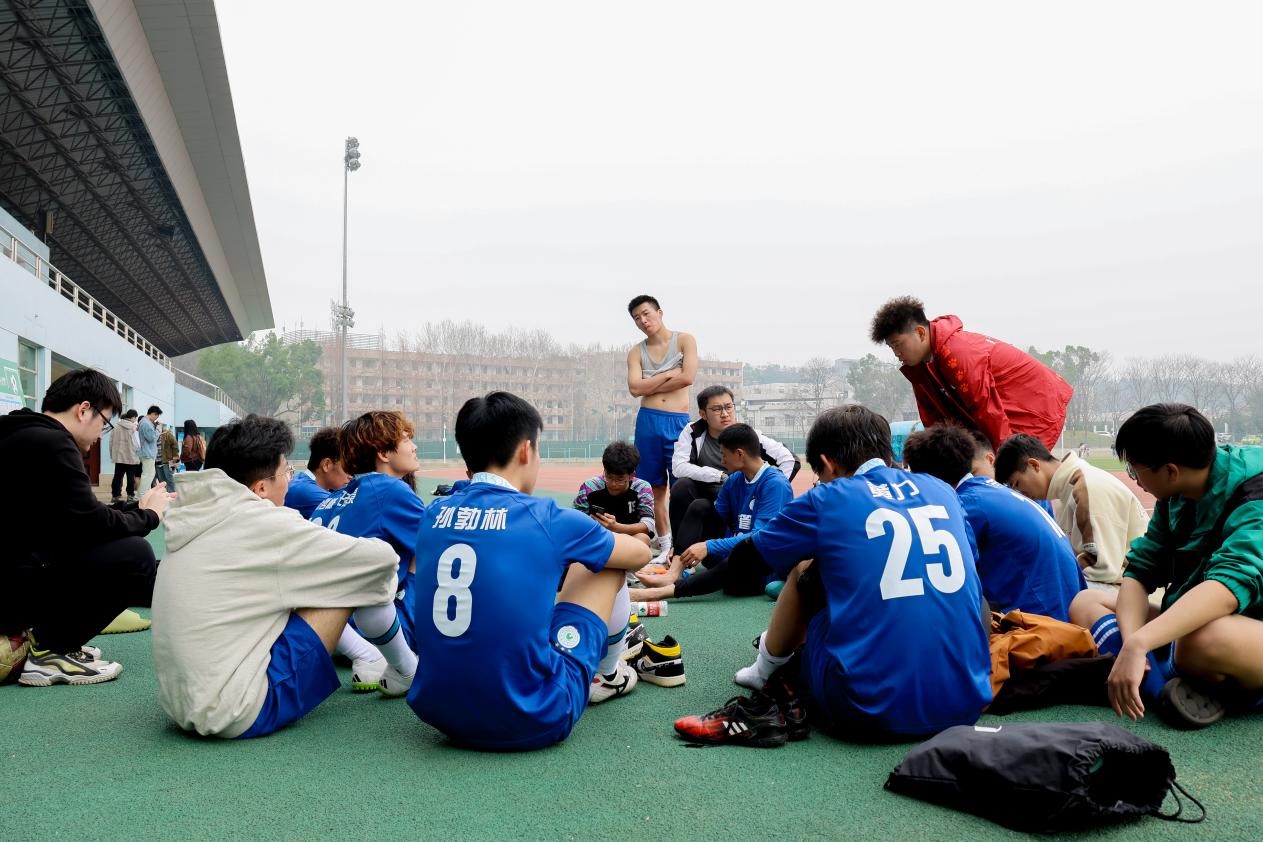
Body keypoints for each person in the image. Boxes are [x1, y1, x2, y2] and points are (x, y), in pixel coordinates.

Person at [691, 406, 991, 743]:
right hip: (967, 703)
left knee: (806, 569)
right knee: (970, 592)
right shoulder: (943, 490)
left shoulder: (827, 498)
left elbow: (748, 562)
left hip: (866, 711)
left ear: (828, 463)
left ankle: (766, 669)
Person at [408, 392, 656, 751]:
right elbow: (639, 554)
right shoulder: (548, 518)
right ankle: (609, 675)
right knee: (606, 563)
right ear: (526, 450)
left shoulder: (434, 513)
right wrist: (623, 535)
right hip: (531, 717)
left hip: (438, 711)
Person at [152, 414, 415, 739]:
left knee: (311, 578)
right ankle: (402, 667)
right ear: (261, 487)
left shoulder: (193, 515)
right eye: (285, 472)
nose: (288, 482)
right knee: (349, 574)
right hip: (236, 709)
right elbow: (380, 561)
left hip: (180, 702)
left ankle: (369, 654)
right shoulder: (262, 523)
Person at [1069, 404, 1263, 730]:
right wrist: (1133, 642)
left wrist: (1140, 642)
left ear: (1171, 470)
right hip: (1208, 622)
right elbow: (1141, 571)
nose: (1136, 480)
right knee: (1086, 601)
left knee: (1199, 639)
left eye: (1136, 471)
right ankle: (1160, 686)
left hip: (1245, 627)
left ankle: (1172, 683)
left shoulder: (1254, 494)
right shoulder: (1177, 492)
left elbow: (1229, 587)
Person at [0, 369, 172, 686]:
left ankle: (50, 639)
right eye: (104, 423)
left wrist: (136, 508)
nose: (99, 436)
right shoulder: (53, 443)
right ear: (83, 410)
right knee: (135, 556)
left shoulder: (19, 433)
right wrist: (149, 517)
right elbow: (91, 523)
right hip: (11, 592)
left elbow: (74, 517)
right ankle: (51, 649)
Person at [902, 425, 1085, 622]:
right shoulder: (990, 492)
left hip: (1044, 620)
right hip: (1067, 607)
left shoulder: (966, 504)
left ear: (930, 478)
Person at [309, 411, 425, 692]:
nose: (414, 446)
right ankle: (400, 661)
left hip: (327, 630)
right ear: (383, 453)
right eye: (407, 440)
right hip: (380, 629)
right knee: (430, 554)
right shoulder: (388, 489)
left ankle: (367, 656)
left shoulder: (330, 500)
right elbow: (443, 540)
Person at [869, 296, 1073, 451]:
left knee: (1020, 472)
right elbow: (934, 420)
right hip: (1003, 413)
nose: (896, 353)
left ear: (921, 333)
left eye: (898, 344)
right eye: (891, 347)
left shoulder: (957, 352)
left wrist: (1004, 462)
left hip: (1035, 404)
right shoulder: (921, 366)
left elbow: (986, 408)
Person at [636, 423, 795, 603]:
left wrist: (708, 546)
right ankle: (673, 574)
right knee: (700, 506)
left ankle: (659, 593)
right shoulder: (735, 480)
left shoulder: (775, 484)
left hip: (757, 567)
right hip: (729, 555)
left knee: (738, 563)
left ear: (740, 454)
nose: (722, 460)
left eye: (724, 454)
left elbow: (761, 537)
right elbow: (714, 518)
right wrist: (683, 545)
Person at [995, 433, 1149, 591]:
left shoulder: (1086, 488)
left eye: (1017, 484)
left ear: (1034, 465)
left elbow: (1101, 570)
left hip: (1135, 588)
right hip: (1120, 582)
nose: (1020, 494)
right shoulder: (1067, 490)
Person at [668, 385, 799, 542]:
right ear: (703, 414)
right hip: (706, 496)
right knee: (681, 487)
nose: (725, 414)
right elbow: (678, 467)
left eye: (729, 407)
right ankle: (678, 547)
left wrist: (769, 487)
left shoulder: (747, 435)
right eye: (717, 409)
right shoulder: (693, 431)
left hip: (738, 498)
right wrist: (719, 476)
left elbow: (790, 460)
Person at [626, 295, 698, 565]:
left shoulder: (685, 340)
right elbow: (635, 389)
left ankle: (681, 549)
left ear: (659, 312)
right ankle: (664, 545)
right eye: (637, 318)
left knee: (681, 489)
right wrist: (668, 374)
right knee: (654, 488)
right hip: (648, 422)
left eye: (646, 314)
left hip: (678, 423)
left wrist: (650, 382)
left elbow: (688, 377)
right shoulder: (636, 352)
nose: (643, 321)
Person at [573, 440, 656, 546]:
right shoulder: (590, 487)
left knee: (643, 539)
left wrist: (617, 527)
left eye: (619, 479)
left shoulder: (642, 488)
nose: (613, 484)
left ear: (631, 475)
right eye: (608, 477)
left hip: (628, 540)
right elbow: (576, 519)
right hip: (597, 539)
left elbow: (648, 524)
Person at [284, 427, 351, 519]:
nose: (351, 475)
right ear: (326, 465)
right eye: (347, 467)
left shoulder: (302, 481)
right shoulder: (309, 493)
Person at [108, 409, 141, 503]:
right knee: (130, 477)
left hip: (119, 457)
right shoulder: (134, 428)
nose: (135, 420)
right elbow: (137, 444)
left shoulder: (116, 427)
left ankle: (115, 495)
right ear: (133, 417)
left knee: (117, 477)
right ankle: (130, 495)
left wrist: (112, 455)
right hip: (131, 457)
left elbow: (111, 442)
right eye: (135, 418)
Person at [138, 404, 162, 491]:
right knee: (147, 476)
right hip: (148, 453)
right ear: (153, 413)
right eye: (156, 416)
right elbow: (152, 438)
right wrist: (158, 429)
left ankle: (143, 494)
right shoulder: (146, 423)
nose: (156, 419)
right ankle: (141, 495)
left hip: (147, 452)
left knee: (149, 475)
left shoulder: (145, 422)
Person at [156, 422, 180, 492]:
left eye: (158, 426)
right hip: (157, 462)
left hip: (167, 461)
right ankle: (165, 494)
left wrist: (175, 458)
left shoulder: (167, 434)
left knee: (169, 478)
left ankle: (172, 493)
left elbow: (175, 445)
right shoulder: (155, 435)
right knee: (161, 480)